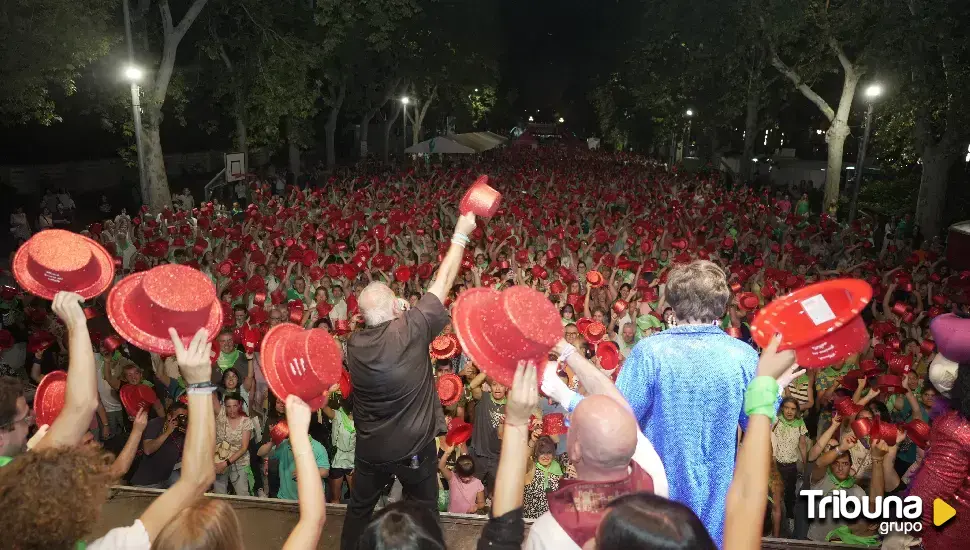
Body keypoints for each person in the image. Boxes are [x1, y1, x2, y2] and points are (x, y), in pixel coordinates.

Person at [339, 211, 476, 550]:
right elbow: (443, 282)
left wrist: (396, 308)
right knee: (426, 510)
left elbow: (380, 320)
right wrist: (460, 233)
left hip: (371, 452)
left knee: (359, 509)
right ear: (397, 311)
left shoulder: (354, 346)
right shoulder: (410, 330)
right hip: (414, 451)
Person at [615, 260, 758, 545]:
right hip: (718, 506)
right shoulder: (743, 356)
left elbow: (618, 420)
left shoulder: (650, 352)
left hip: (658, 506)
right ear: (720, 304)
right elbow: (760, 424)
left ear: (673, 302)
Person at [526, 337, 668, 550]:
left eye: (569, 423)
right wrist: (567, 355)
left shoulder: (550, 532)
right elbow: (619, 408)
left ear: (575, 450)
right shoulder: (654, 482)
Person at [129, 402, 188, 488]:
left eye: (185, 417)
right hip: (147, 481)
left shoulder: (181, 430)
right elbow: (148, 450)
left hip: (168, 476)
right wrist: (168, 432)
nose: (182, 420)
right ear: (169, 416)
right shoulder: (155, 424)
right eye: (180, 417)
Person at [213, 392, 254, 496]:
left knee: (243, 495)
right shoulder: (221, 414)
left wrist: (225, 464)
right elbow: (211, 395)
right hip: (219, 460)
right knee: (219, 495)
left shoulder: (246, 422)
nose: (232, 410)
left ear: (239, 405)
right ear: (224, 406)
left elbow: (244, 448)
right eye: (228, 406)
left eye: (235, 406)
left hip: (239, 463)